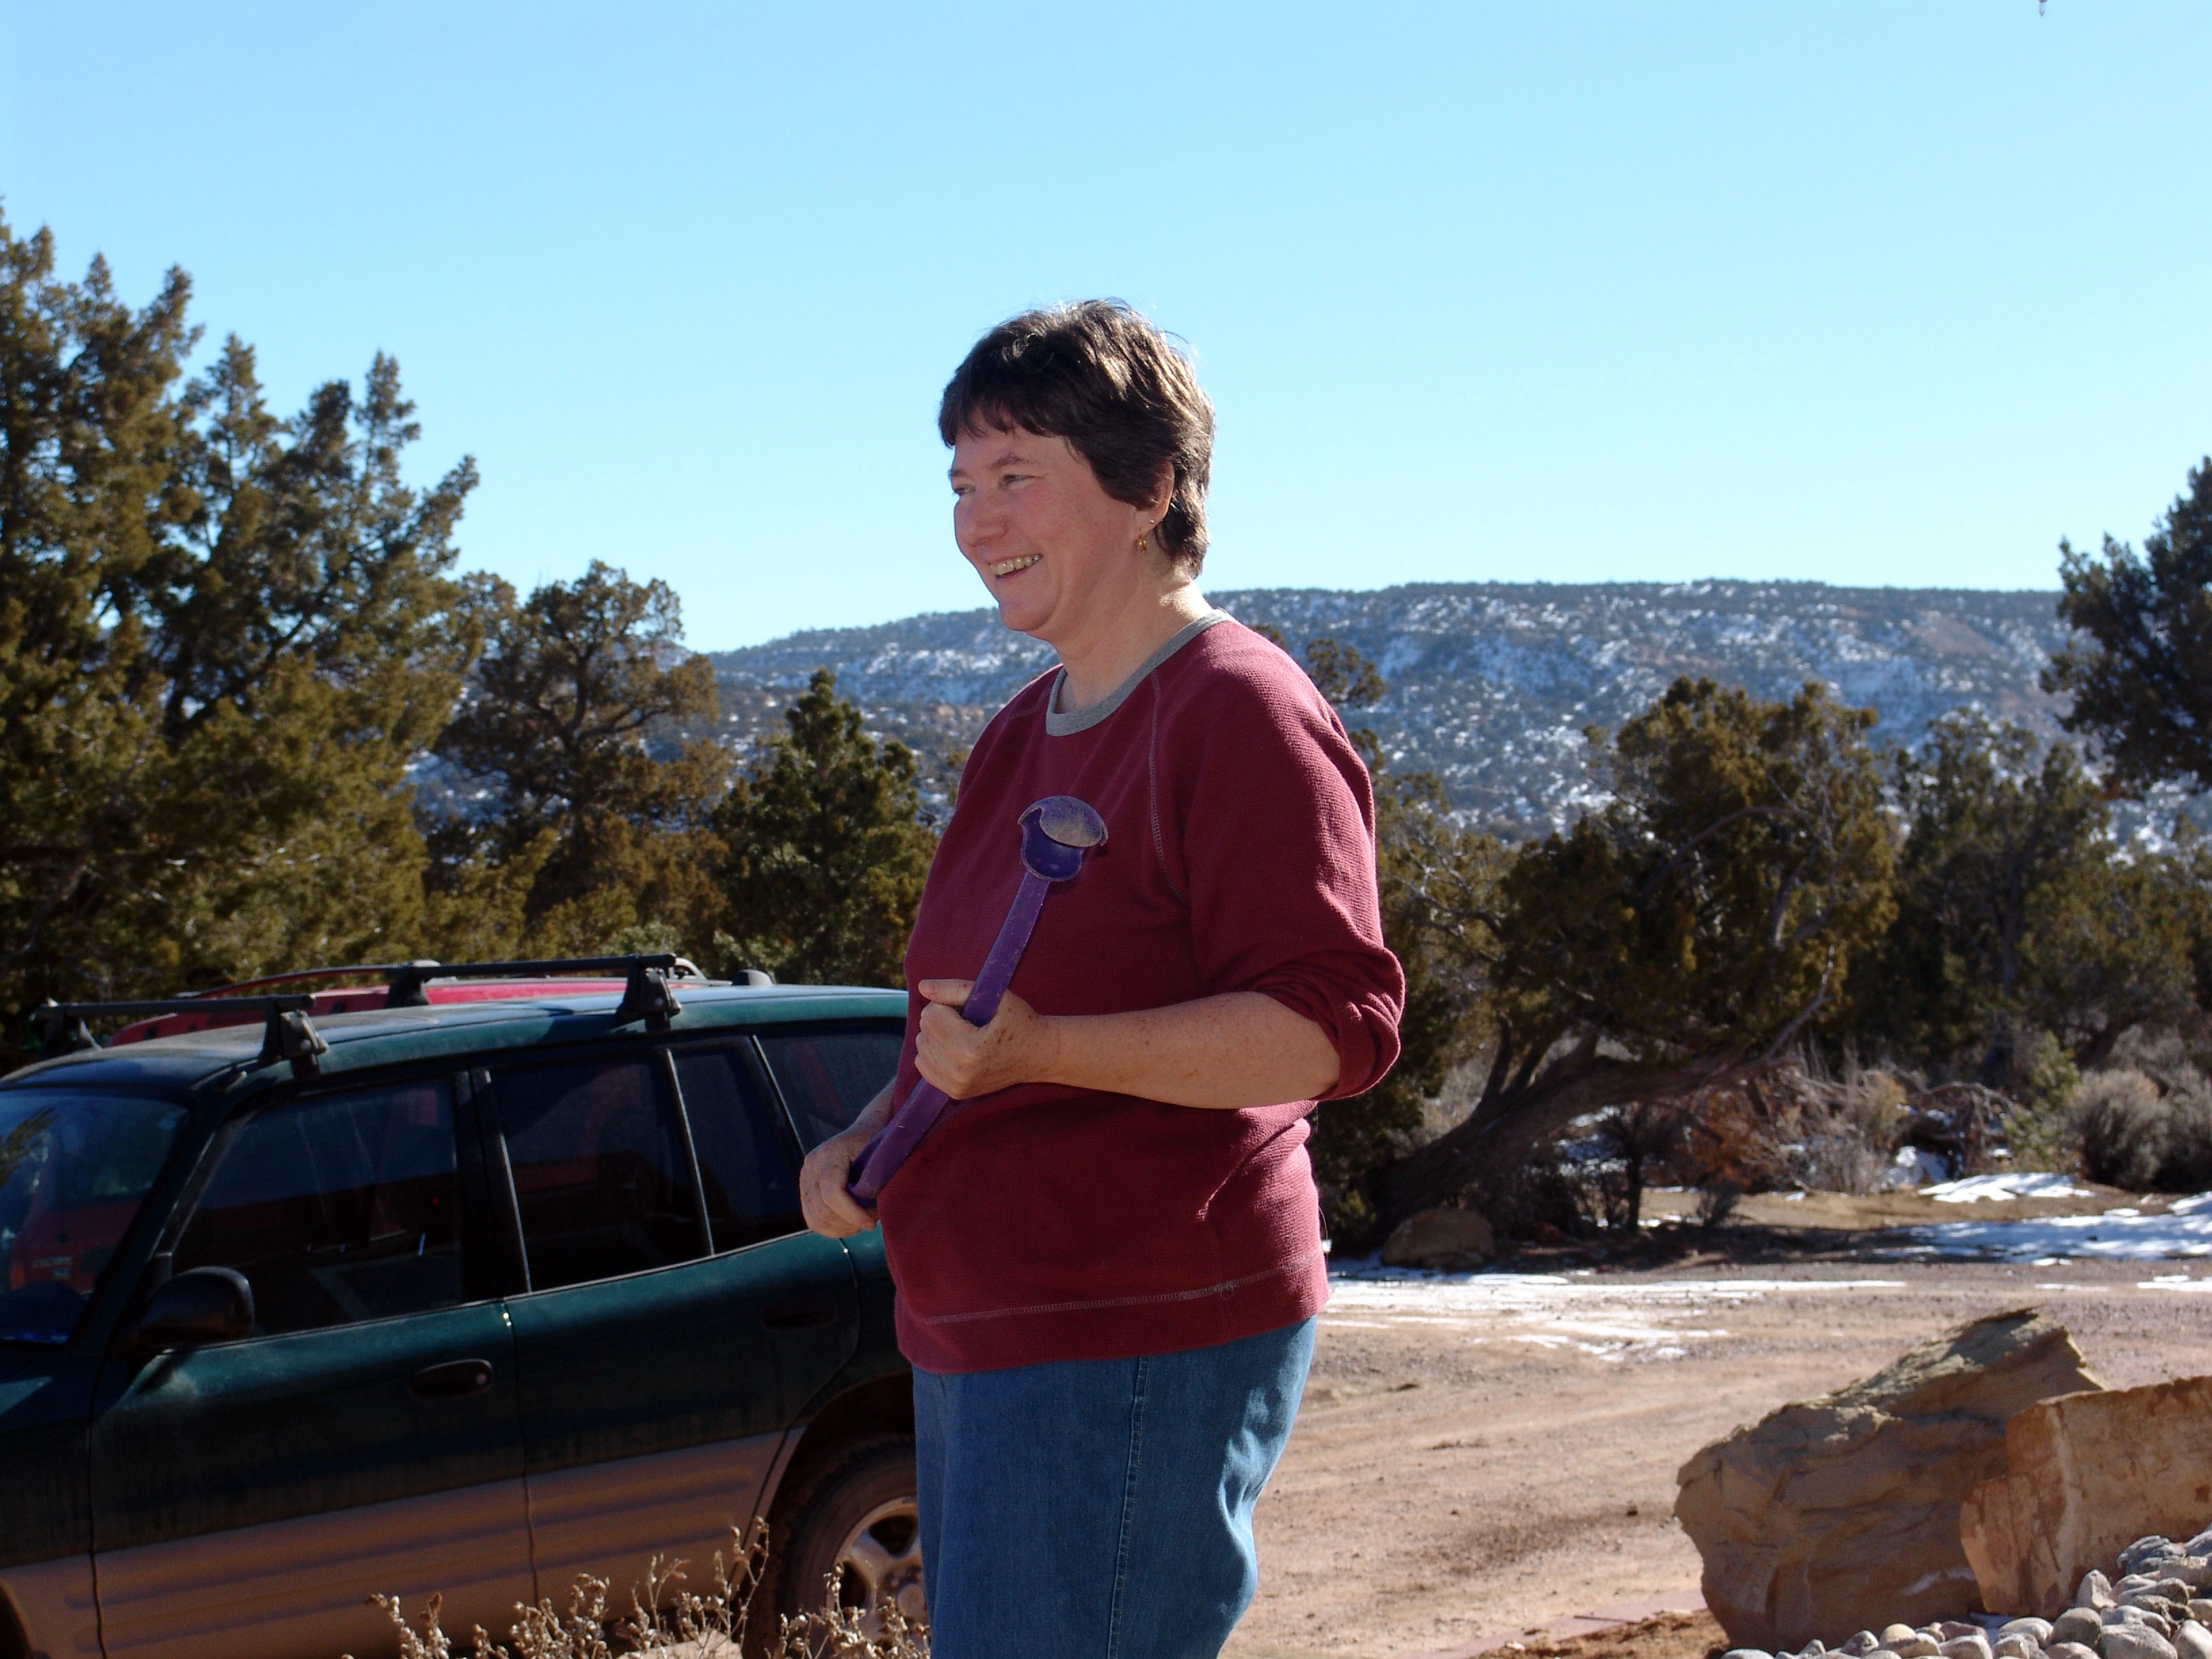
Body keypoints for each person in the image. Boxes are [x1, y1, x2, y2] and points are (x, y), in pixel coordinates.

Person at [798, 300, 1404, 1658]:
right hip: (984, 1337)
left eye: (1016, 477)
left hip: (1128, 1339)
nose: (977, 522)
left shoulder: (1238, 709)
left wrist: (1046, 1051)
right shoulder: (1021, 735)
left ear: (1148, 490)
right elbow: (963, 1023)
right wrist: (867, 1140)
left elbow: (1332, 1026)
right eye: (961, 484)